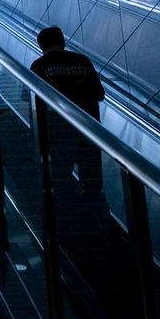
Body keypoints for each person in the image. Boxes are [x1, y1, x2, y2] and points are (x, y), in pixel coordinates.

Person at [30, 26, 106, 195]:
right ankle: (95, 208)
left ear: (41, 46)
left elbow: (30, 100)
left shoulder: (39, 66)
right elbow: (100, 94)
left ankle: (65, 206)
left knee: (59, 180)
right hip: (90, 130)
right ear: (63, 42)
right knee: (93, 183)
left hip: (58, 133)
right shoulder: (82, 61)